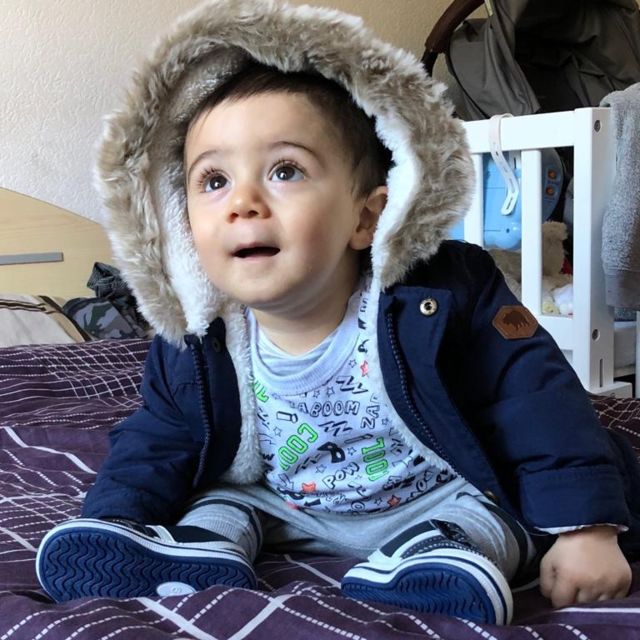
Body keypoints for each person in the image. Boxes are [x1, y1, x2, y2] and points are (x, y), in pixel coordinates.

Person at [36, 0, 638, 625]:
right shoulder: (200, 337)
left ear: (368, 216)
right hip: (285, 507)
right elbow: (158, 438)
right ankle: (201, 551)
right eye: (213, 181)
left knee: (494, 512)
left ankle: (438, 560)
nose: (242, 202)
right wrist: (116, 514)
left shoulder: (445, 294)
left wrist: (586, 526)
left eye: (285, 170)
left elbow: (537, 396)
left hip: (438, 492)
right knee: (221, 499)